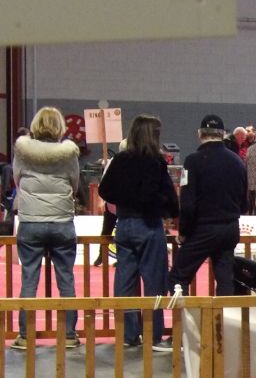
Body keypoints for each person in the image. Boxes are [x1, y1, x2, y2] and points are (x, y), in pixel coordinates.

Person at [98, 114, 179, 351]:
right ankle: (153, 336)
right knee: (154, 280)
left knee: (125, 279)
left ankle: (127, 333)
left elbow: (104, 190)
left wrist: (124, 200)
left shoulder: (121, 159)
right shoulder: (156, 162)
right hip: (149, 224)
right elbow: (169, 197)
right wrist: (167, 210)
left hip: (124, 224)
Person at [11, 107, 81, 349]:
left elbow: (17, 178)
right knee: (66, 279)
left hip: (30, 221)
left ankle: (24, 336)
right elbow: (75, 181)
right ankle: (69, 335)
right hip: (61, 221)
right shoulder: (68, 152)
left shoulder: (22, 150)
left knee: (29, 278)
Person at [167, 114, 248, 295]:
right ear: (223, 134)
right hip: (230, 227)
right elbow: (244, 203)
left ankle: (186, 321)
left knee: (178, 277)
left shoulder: (193, 161)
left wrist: (184, 232)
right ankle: (224, 320)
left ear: (200, 134)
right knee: (225, 277)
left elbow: (187, 203)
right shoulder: (237, 162)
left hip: (203, 227)